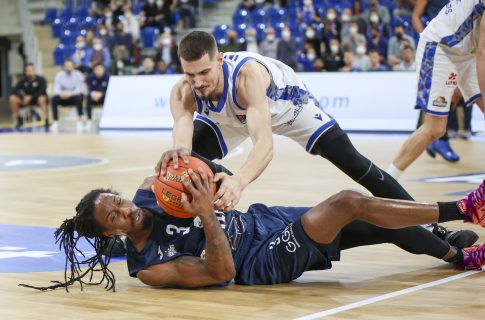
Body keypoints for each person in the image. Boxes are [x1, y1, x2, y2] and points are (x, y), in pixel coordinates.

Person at [154, 31, 476, 247]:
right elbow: (182, 144)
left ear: (220, 60)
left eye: (204, 73)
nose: (198, 82)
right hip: (232, 117)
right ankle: (162, 232)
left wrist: (238, 181)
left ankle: (435, 229)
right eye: (190, 74)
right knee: (181, 164)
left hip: (290, 108)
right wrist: (178, 158)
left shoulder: (246, 77)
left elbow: (264, 146)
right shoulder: (184, 91)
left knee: (355, 164)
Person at [22, 162, 485, 291]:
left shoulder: (150, 191)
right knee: (348, 202)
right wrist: (206, 214)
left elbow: (205, 167)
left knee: (370, 216)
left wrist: (208, 173)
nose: (127, 210)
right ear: (111, 232)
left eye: (118, 202)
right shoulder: (148, 267)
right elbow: (220, 274)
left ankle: (458, 256)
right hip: (258, 261)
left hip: (262, 217)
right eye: (115, 217)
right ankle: (463, 208)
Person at [387, 0, 485, 180]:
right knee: (435, 129)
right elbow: (482, 54)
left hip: (466, 53)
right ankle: (386, 180)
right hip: (440, 47)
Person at [411, 0, 460, 163]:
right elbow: (416, 16)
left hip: (457, 44)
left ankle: (431, 137)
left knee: (452, 94)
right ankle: (440, 139)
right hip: (435, 46)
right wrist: (424, 36)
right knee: (438, 92)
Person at [9, 63, 48, 130]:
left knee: (42, 98)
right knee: (12, 98)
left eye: (30, 70)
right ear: (25, 72)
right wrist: (22, 97)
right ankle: (19, 119)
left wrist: (31, 97)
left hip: (37, 100)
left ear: (34, 70)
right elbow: (13, 90)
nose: (29, 72)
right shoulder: (23, 80)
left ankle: (46, 120)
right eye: (27, 70)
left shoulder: (41, 79)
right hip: (25, 101)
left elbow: (42, 91)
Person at [50, 60, 85, 133]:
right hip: (62, 97)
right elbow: (56, 89)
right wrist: (62, 93)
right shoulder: (59, 75)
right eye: (66, 66)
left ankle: (79, 121)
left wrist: (70, 93)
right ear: (64, 67)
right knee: (54, 99)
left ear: (73, 66)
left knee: (79, 97)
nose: (68, 68)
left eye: (70, 66)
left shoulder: (78, 75)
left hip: (73, 96)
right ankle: (55, 121)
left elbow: (79, 89)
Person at [85, 64, 110, 132]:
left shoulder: (108, 77)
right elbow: (88, 88)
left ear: (104, 70)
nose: (99, 71)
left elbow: (110, 89)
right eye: (97, 70)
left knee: (109, 98)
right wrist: (91, 93)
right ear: (94, 71)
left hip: (104, 97)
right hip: (93, 97)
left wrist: (101, 94)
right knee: (88, 98)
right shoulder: (90, 77)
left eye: (100, 69)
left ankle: (107, 120)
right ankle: (89, 120)